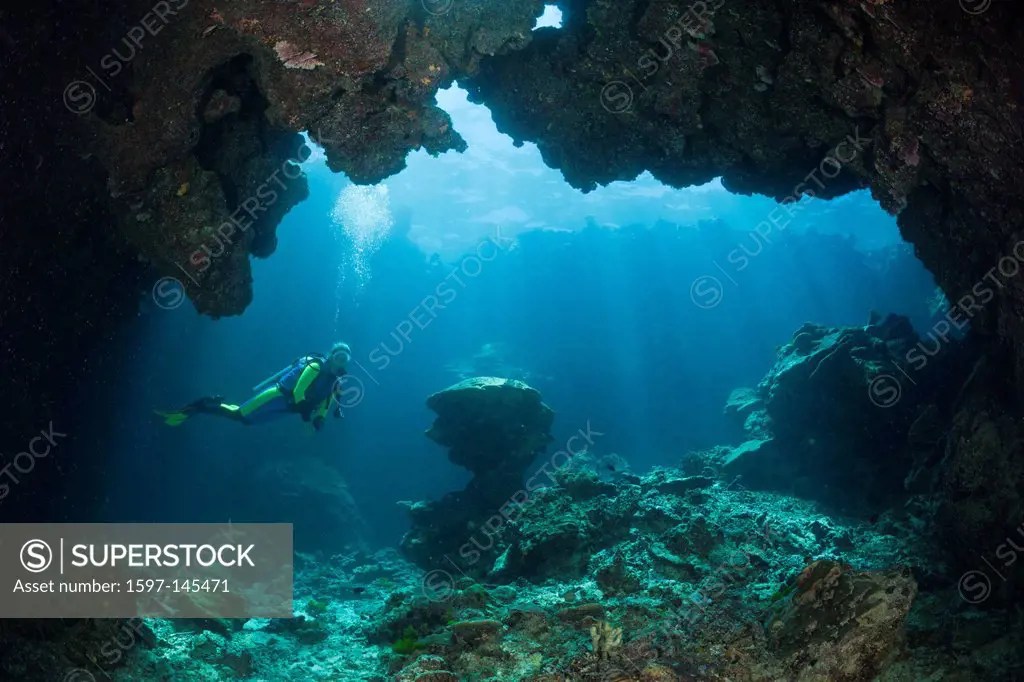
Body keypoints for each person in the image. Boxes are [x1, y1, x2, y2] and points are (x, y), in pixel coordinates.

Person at [156, 342, 352, 431]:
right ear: (332, 355)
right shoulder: (316, 366)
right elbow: (298, 389)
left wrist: (320, 418)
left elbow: (326, 401)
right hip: (278, 396)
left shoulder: (336, 381)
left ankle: (209, 404)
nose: (341, 361)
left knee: (247, 421)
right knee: (239, 414)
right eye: (339, 356)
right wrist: (303, 408)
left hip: (288, 408)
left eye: (345, 358)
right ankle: (202, 405)